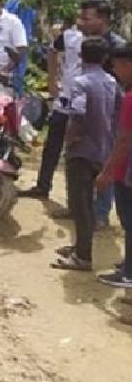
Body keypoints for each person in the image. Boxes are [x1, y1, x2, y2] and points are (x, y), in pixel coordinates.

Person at [52, 38, 121, 271]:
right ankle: (81, 246)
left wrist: (70, 140)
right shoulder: (112, 82)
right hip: (103, 149)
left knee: (79, 203)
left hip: (82, 150)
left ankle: (83, 257)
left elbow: (78, 114)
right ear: (105, 59)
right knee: (89, 204)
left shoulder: (80, 82)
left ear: (80, 56)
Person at [20, 17, 82, 200]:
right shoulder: (70, 37)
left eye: (86, 17)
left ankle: (79, 201)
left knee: (79, 149)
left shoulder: (107, 42)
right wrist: (51, 80)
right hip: (65, 98)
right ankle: (42, 185)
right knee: (53, 142)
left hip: (87, 104)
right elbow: (52, 51)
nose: (81, 21)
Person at [95, 46, 132, 287]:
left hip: (127, 171)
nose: (116, 72)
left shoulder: (130, 98)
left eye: (118, 66)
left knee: (129, 221)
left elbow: (124, 140)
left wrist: (107, 171)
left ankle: (128, 273)